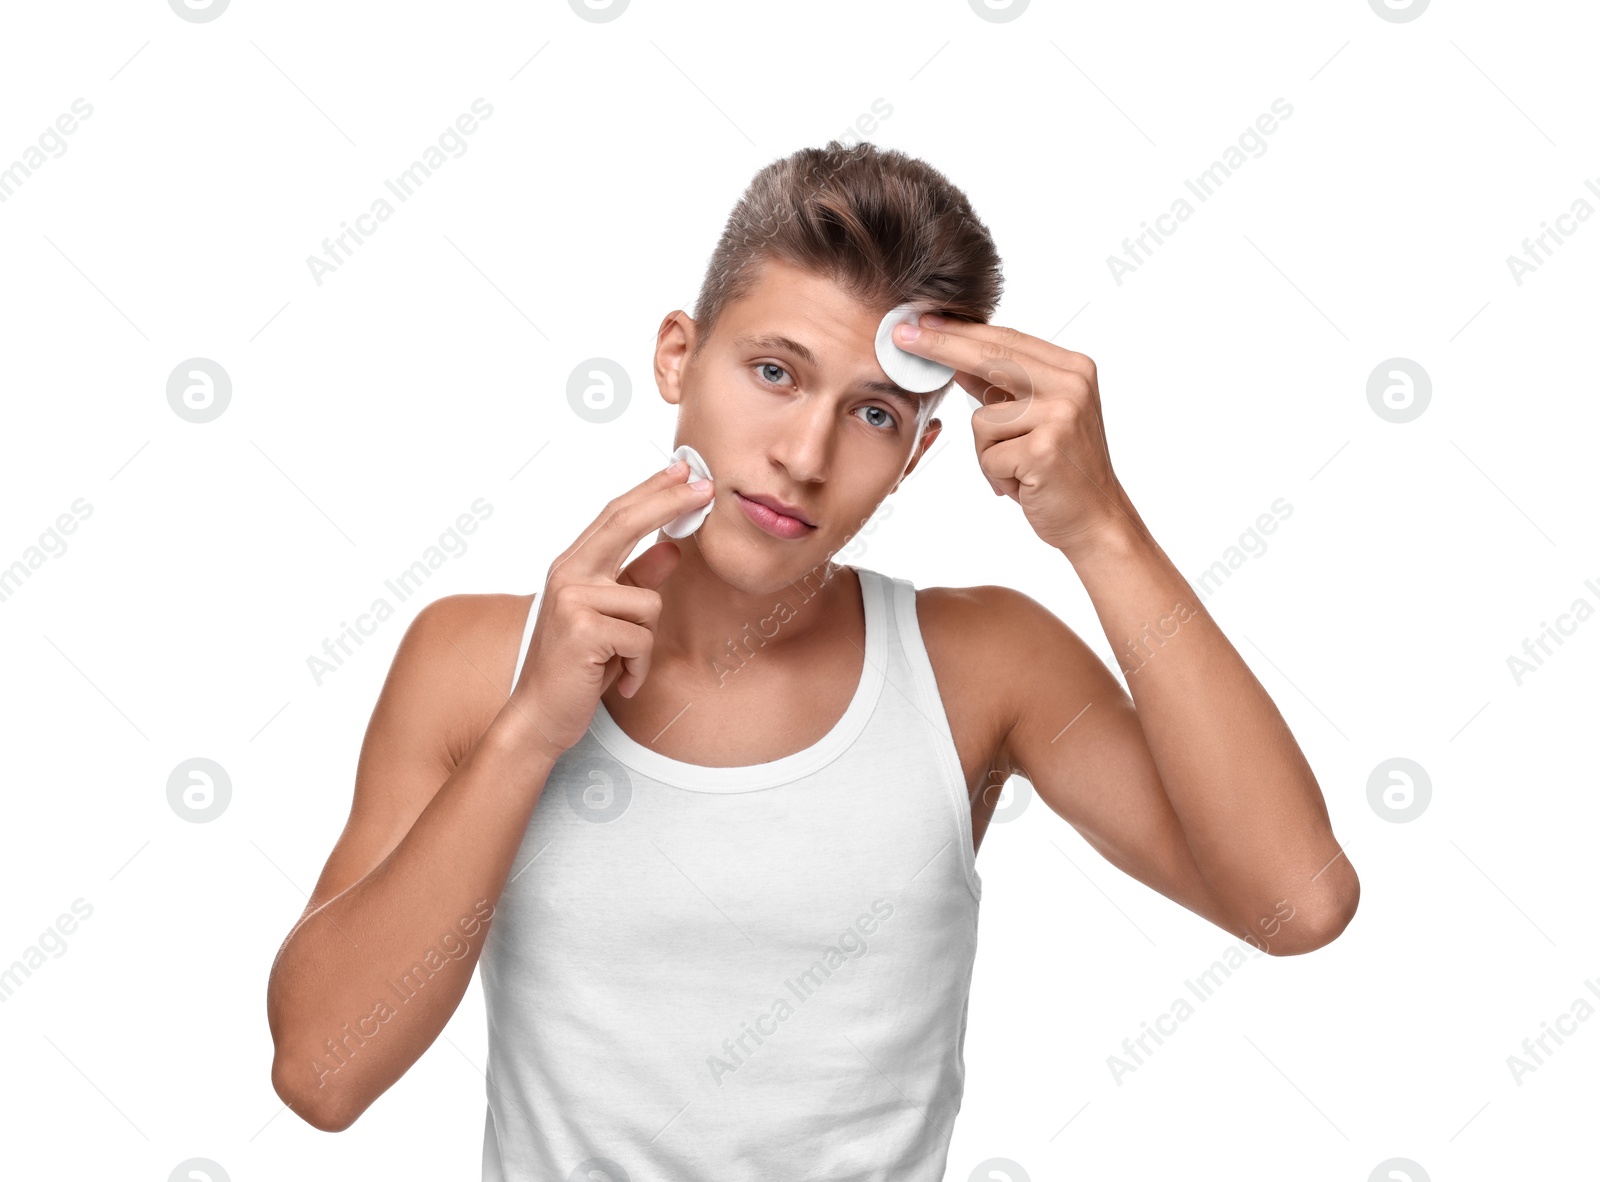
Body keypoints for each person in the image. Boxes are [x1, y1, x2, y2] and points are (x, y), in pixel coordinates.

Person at [266, 140, 1359, 1178]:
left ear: (918, 454)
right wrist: (529, 733)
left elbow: (1296, 904)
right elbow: (322, 1074)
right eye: (775, 372)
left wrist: (1101, 528)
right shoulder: (470, 659)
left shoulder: (981, 664)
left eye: (873, 412)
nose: (803, 456)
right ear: (676, 356)